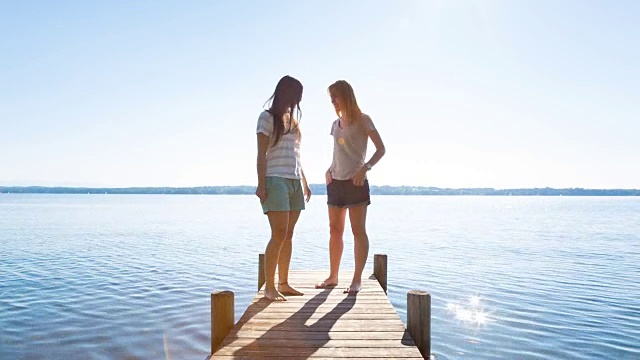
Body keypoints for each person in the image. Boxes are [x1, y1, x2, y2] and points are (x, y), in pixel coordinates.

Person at [315, 80, 386, 294]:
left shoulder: (364, 120)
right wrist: (328, 169)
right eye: (331, 98)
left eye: (335, 97)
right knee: (335, 230)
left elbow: (381, 149)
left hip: (356, 183)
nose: (333, 102)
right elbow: (338, 153)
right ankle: (333, 276)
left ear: (347, 96)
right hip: (335, 182)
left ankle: (357, 280)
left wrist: (365, 168)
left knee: (358, 231)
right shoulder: (335, 125)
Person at [256, 75, 311, 301]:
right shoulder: (266, 118)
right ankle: (270, 288)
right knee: (278, 234)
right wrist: (261, 185)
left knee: (288, 234)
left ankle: (284, 283)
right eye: (296, 95)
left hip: (294, 181)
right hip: (275, 180)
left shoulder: (293, 121)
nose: (298, 101)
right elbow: (261, 154)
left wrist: (304, 182)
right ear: (286, 93)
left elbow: (295, 154)